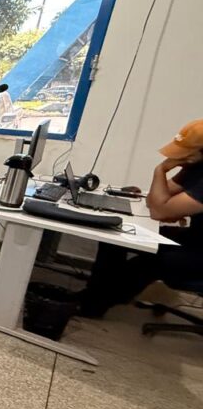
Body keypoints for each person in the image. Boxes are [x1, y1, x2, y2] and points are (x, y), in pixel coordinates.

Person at [78, 119, 203, 317]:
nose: (182, 158)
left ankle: (94, 304)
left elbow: (159, 211)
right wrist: (162, 201)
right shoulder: (196, 167)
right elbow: (155, 200)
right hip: (194, 238)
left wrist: (160, 170)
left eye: (187, 153)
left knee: (149, 262)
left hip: (199, 253)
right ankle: (94, 298)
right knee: (114, 237)